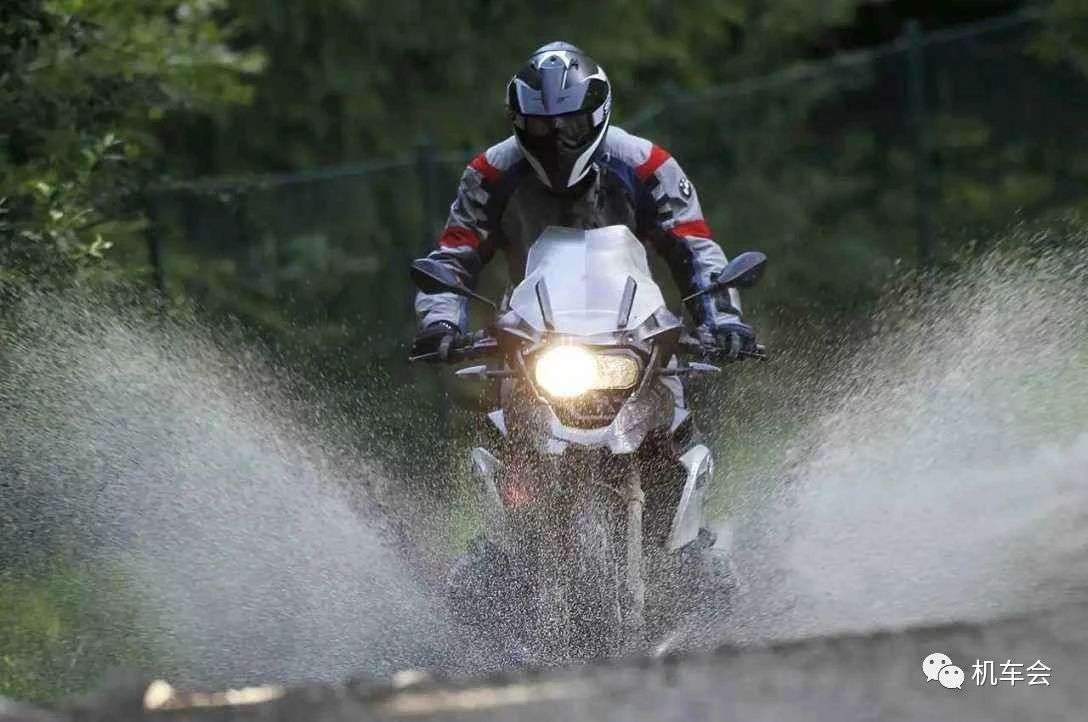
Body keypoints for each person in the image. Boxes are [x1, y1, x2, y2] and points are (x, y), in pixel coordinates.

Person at [411, 41, 754, 648]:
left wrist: (721, 315)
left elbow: (694, 246)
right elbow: (456, 252)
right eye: (541, 126)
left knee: (674, 424)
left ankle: (693, 554)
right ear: (520, 122)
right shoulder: (490, 172)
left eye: (569, 124)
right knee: (503, 435)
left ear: (597, 113)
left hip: (637, 331)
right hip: (535, 335)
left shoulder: (646, 164)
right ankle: (495, 565)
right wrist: (441, 321)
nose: (557, 138)